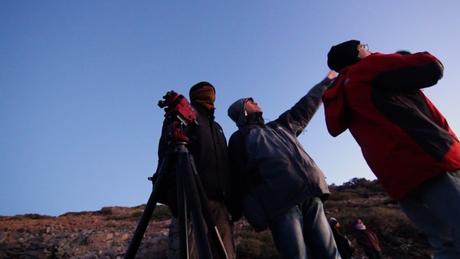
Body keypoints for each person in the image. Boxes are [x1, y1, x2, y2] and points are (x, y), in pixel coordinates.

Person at [323, 39, 460, 258]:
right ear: (357, 54)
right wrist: (391, 57)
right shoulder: (367, 69)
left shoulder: (341, 91)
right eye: (364, 46)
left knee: (444, 245)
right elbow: (432, 67)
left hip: (397, 179)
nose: (369, 48)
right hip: (429, 159)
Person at [227, 71, 341, 259]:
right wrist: (255, 216)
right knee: (297, 255)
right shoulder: (240, 139)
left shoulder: (280, 125)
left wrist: (326, 82)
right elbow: (241, 181)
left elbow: (306, 105)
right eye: (249, 100)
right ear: (242, 110)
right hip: (280, 204)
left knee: (329, 253)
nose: (255, 100)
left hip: (311, 194)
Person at [155, 82, 236, 259]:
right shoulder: (185, 116)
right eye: (204, 90)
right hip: (192, 202)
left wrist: (232, 202)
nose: (209, 93)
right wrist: (175, 197)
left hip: (220, 205)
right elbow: (167, 154)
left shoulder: (217, 128)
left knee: (226, 254)